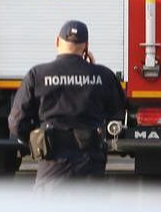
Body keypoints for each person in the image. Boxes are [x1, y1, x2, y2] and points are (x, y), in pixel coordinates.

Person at [7, 20, 125, 188]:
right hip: (90, 167)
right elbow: (117, 110)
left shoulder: (37, 75)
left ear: (57, 42)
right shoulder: (104, 76)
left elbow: (16, 123)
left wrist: (36, 141)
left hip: (51, 169)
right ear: (86, 46)